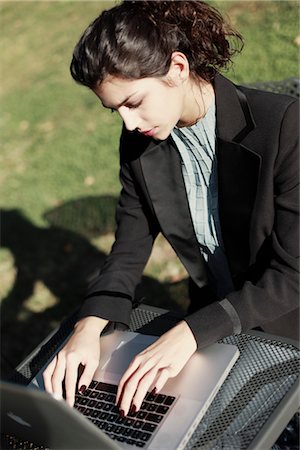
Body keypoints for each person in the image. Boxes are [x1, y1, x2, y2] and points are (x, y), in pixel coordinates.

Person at [43, 0, 299, 418]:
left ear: (177, 68)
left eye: (134, 101)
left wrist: (192, 332)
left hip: (285, 324)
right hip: (214, 325)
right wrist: (89, 323)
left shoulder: (285, 127)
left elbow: (294, 274)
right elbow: (129, 246)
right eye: (115, 111)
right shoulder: (140, 143)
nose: (128, 123)